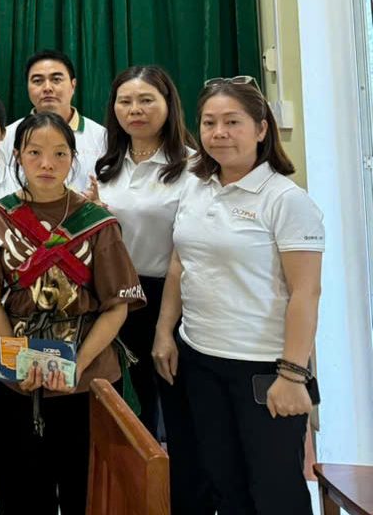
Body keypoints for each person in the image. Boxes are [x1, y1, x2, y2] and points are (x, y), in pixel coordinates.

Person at [153, 77, 323, 515]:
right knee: (223, 485)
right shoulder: (195, 186)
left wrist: (292, 374)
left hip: (263, 369)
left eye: (233, 122)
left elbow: (306, 292)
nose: (219, 133)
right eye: (209, 123)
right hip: (200, 359)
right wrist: (165, 332)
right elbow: (180, 264)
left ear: (261, 129)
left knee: (275, 493)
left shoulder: (286, 200)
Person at [0, 112, 145, 515]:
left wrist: (76, 366)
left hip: (88, 379)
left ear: (73, 158)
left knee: (85, 491)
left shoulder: (98, 223)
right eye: (34, 153)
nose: (47, 164)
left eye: (59, 154)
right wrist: (15, 357)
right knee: (21, 489)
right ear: (17, 156)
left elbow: (116, 307)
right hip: (18, 378)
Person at [90, 65, 214, 515]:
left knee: (180, 414)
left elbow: (187, 249)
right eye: (125, 101)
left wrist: (166, 325)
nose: (135, 110)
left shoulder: (193, 167)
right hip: (114, 298)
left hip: (171, 297)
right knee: (126, 411)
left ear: (168, 104)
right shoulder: (105, 166)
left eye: (146, 100)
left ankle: (187, 504)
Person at [0, 50, 106, 192]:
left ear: (73, 85)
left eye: (56, 80)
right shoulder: (7, 137)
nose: (47, 88)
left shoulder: (102, 137)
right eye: (38, 81)